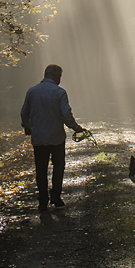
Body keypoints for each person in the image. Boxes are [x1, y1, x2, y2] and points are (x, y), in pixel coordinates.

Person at [20, 64, 86, 210]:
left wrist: (28, 127)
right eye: (60, 76)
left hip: (39, 138)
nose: (60, 79)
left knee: (41, 170)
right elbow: (66, 115)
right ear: (56, 76)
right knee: (58, 167)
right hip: (56, 138)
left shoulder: (32, 92)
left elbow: (24, 112)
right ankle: (56, 197)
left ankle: (43, 199)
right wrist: (76, 127)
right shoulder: (59, 92)